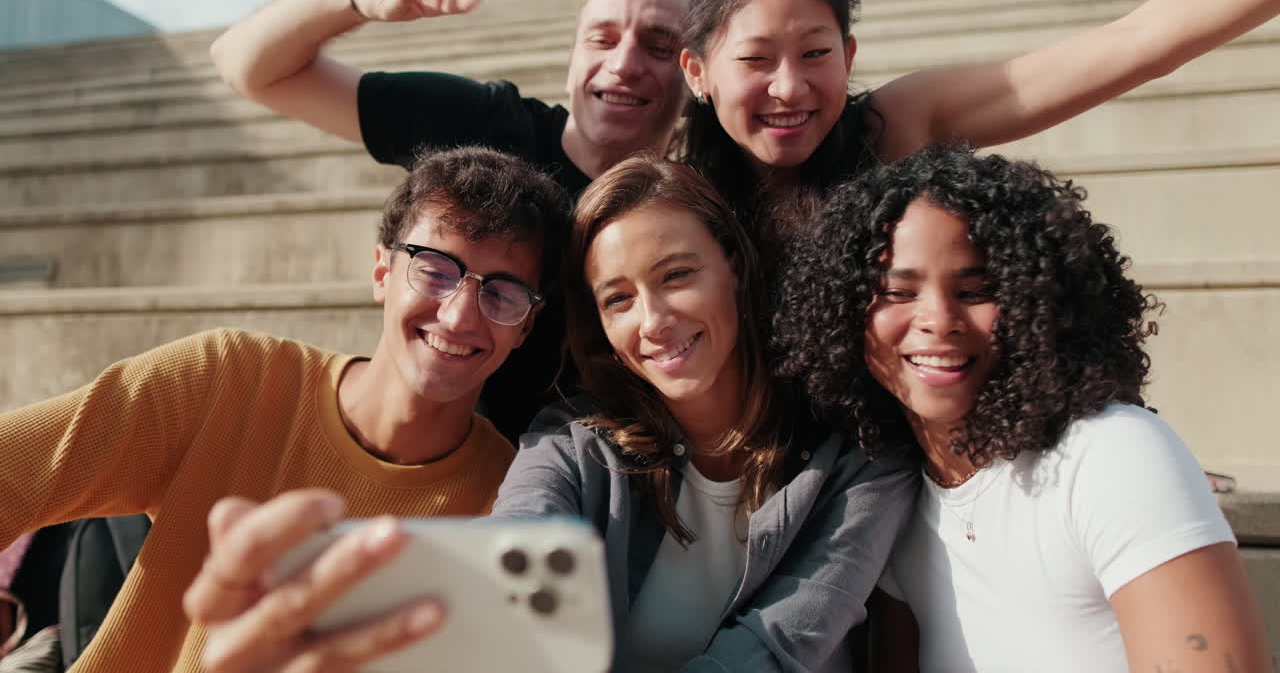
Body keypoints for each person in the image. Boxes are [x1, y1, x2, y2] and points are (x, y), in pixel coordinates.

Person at [184, 155, 918, 672]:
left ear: (733, 265)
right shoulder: (571, 445)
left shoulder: (860, 452)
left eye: (677, 275)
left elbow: (783, 644)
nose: (654, 320)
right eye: (619, 298)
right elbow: (514, 561)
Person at [0, 146, 568, 673]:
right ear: (381, 273)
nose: (460, 314)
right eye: (436, 269)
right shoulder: (223, 375)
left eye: (502, 292)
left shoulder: (509, 505)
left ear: (527, 326)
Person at [772, 143, 1271, 673]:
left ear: (1040, 300)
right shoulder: (896, 492)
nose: (938, 319)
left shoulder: (1112, 455)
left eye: (977, 289)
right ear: (842, 316)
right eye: (898, 291)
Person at [210, 0, 694, 440]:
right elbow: (244, 66)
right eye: (602, 39)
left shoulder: (700, 202)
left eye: (658, 46)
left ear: (694, 73)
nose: (624, 63)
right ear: (572, 59)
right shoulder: (484, 126)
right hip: (448, 464)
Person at [678, 0, 1280, 252]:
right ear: (698, 72)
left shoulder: (891, 127)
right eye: (755, 60)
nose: (789, 87)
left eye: (815, 53)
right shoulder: (667, 193)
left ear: (849, 54)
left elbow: (1139, 42)